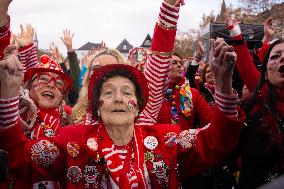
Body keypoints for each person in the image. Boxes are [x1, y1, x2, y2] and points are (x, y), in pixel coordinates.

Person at [0, 1, 244, 188]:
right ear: (94, 98)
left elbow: (216, 141)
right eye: (106, 88)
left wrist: (224, 88)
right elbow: (20, 160)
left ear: (139, 104)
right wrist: (9, 97)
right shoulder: (70, 137)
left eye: (126, 91)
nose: (117, 97)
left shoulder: (164, 140)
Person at [224, 17, 284, 188]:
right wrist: (236, 34)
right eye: (276, 56)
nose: (282, 59)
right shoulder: (261, 98)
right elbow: (245, 65)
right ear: (266, 71)